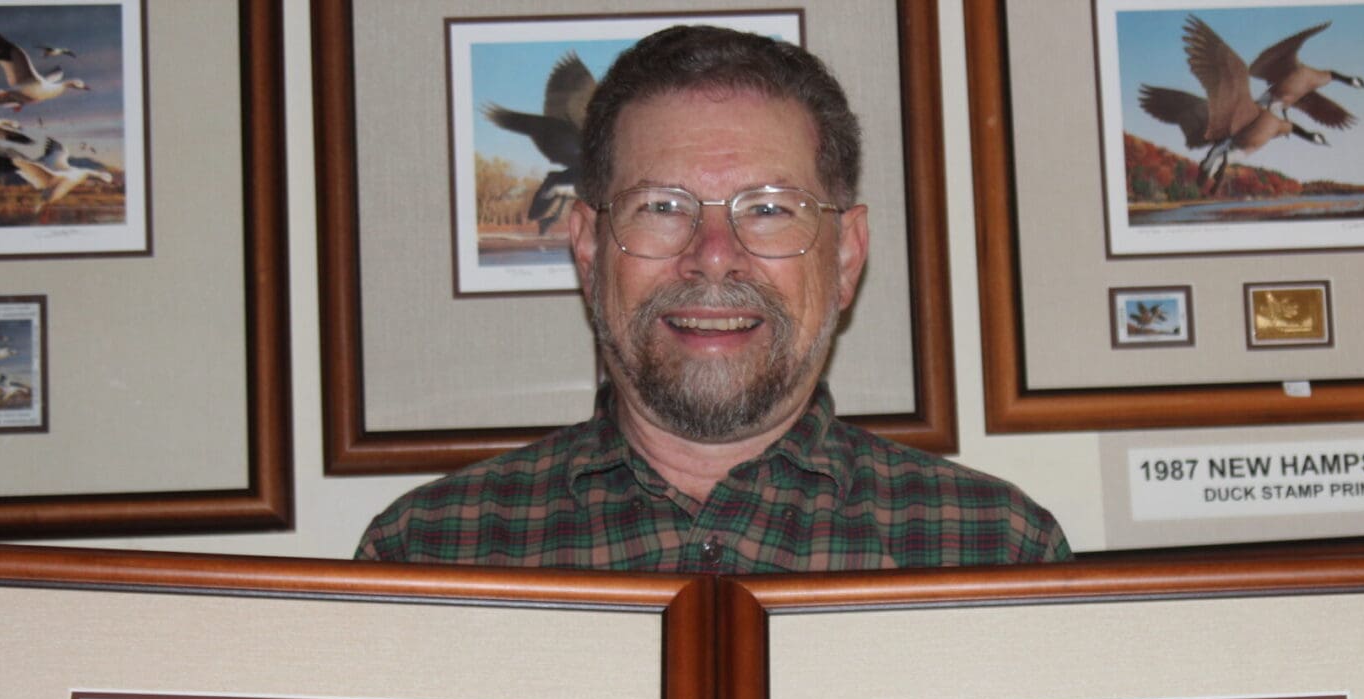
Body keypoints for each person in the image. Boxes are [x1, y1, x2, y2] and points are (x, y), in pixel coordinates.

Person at [356, 25, 1069, 571]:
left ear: (846, 255)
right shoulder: (424, 554)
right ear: (587, 245)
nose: (714, 255)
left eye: (768, 208)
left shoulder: (997, 549)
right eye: (662, 206)